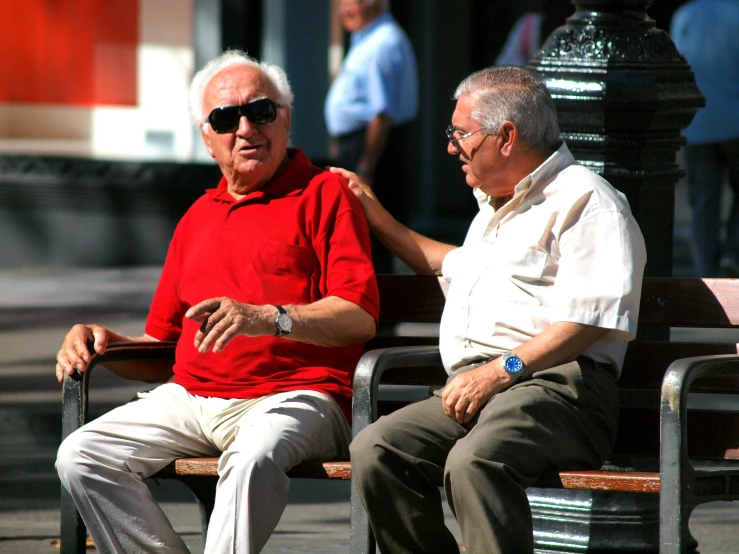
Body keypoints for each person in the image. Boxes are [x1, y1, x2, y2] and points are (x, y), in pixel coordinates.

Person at [55, 50, 380, 554]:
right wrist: (102, 343)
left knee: (253, 454)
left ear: (286, 119)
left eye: (262, 111)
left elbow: (359, 315)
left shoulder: (325, 194)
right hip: (193, 397)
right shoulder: (195, 218)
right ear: (208, 138)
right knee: (81, 454)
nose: (247, 128)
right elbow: (161, 345)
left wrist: (268, 319)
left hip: (297, 396)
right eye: (227, 118)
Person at [334, 66, 647, 553]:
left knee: (474, 462)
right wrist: (371, 209)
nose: (451, 147)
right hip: (480, 389)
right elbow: (442, 261)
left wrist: (501, 371)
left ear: (506, 136)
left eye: (461, 134)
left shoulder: (589, 202)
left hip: (560, 389)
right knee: (376, 450)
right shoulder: (494, 210)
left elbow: (588, 322)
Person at [325, 0, 418, 272]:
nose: (344, 10)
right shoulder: (365, 38)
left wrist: (365, 165)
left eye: (352, 3)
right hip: (358, 143)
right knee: (356, 226)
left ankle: (377, 307)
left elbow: (382, 114)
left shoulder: (382, 43)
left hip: (372, 145)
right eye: (340, 4)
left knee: (371, 226)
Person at [670, 0, 739, 277]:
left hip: (698, 123)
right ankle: (734, 253)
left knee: (704, 202)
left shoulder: (686, 15)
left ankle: (706, 273)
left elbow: (677, 66)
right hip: (735, 121)